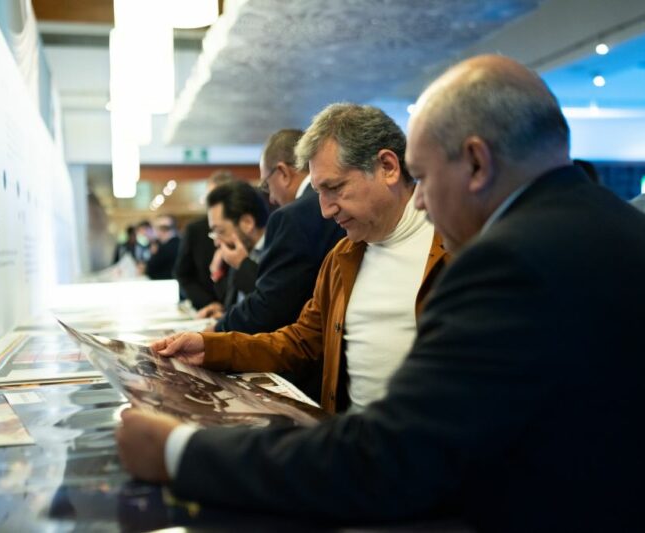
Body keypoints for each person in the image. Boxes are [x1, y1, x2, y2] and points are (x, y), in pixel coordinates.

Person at [116, 55, 645, 531]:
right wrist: (216, 348)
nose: (422, 200)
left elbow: (389, 457)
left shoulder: (504, 262)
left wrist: (178, 452)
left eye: (426, 177)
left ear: (476, 162)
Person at [151, 103, 446, 415]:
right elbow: (300, 342)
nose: (326, 210)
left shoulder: (454, 244)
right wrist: (210, 347)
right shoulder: (342, 257)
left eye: (335, 188)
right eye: (319, 192)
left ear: (387, 167)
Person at [212, 129, 345, 334]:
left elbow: (273, 307)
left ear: (283, 173)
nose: (272, 198)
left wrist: (214, 331)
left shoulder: (292, 216)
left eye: (267, 184)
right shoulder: (331, 202)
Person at [196, 181, 269, 319]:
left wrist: (243, 264)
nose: (217, 242)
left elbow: (271, 305)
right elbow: (239, 306)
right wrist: (223, 314)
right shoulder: (241, 251)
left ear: (247, 223)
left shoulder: (277, 252)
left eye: (220, 231)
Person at [174, 171, 237, 309]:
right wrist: (208, 303)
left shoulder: (241, 229)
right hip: (206, 307)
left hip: (235, 308)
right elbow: (183, 274)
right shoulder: (195, 230)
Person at [145, 215, 180, 279]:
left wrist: (153, 254)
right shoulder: (179, 242)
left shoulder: (166, 248)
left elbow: (150, 271)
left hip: (166, 282)